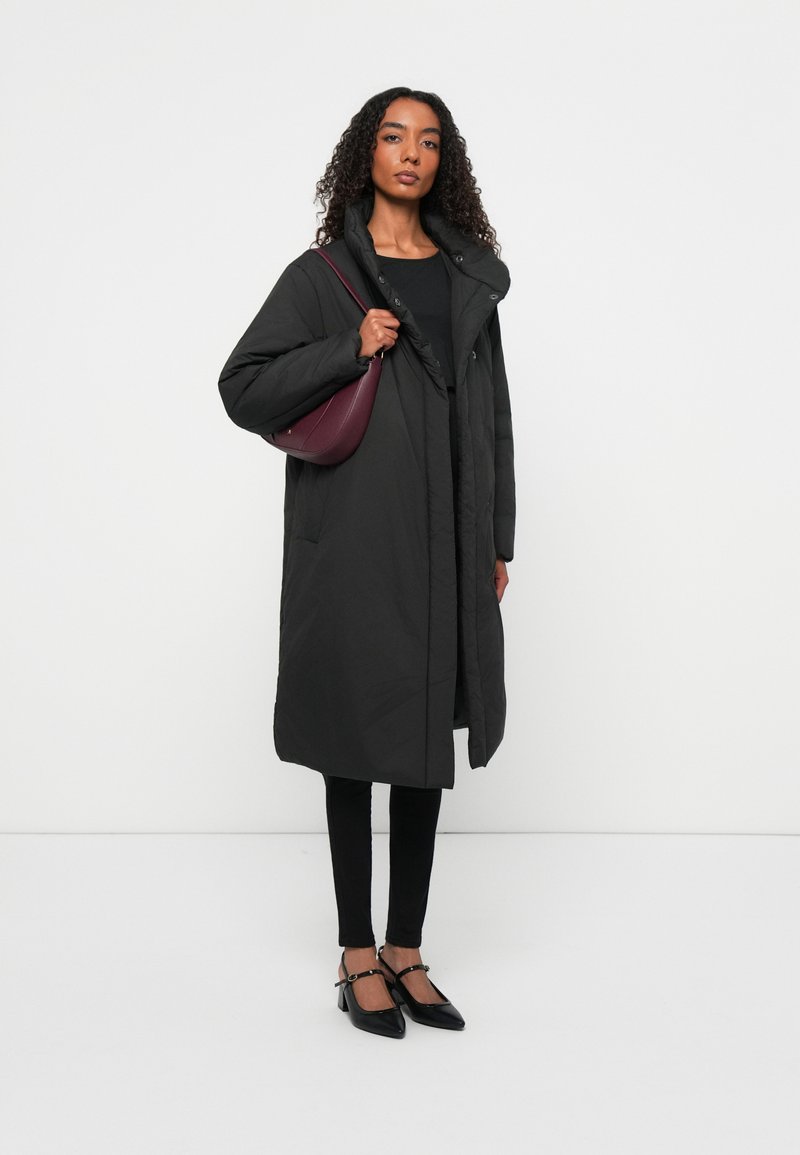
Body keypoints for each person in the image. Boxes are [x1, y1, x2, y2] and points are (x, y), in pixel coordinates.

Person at [218, 86, 515, 1037]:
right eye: (394, 136)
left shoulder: (468, 278)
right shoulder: (323, 277)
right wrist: (348, 347)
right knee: (353, 734)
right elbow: (243, 384)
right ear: (367, 153)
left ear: (444, 163)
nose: (411, 153)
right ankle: (356, 953)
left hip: (447, 537)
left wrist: (498, 536)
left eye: (428, 140)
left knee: (423, 741)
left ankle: (407, 950)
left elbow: (495, 416)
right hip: (352, 538)